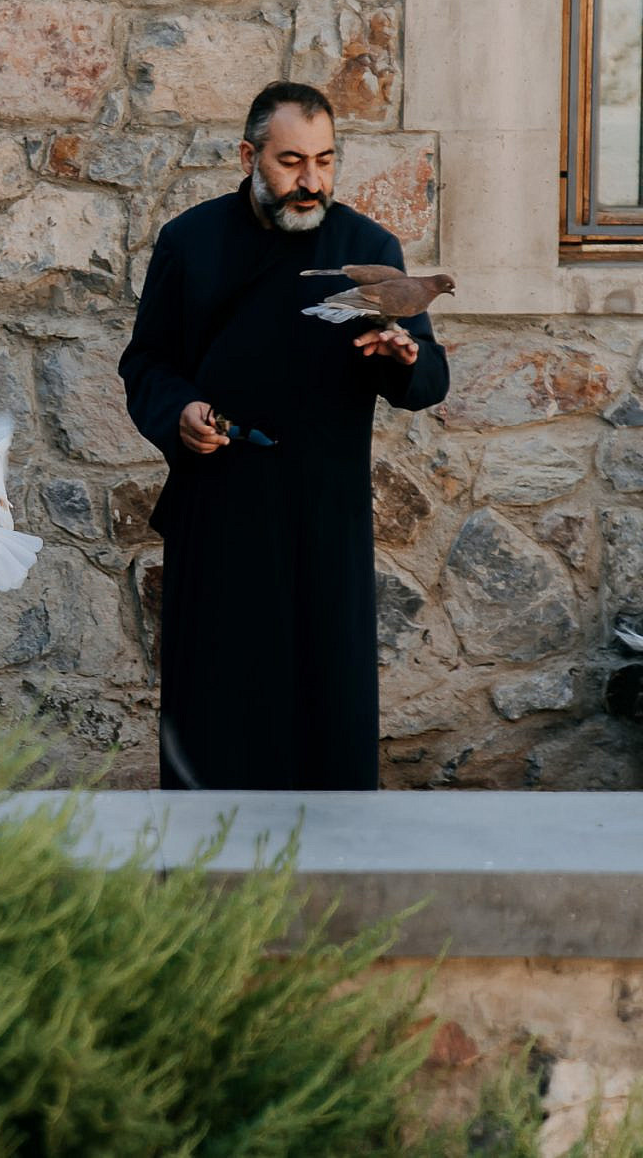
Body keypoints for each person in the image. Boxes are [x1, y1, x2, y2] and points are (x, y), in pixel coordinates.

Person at [118, 81, 449, 790]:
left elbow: (426, 379)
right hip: (217, 512)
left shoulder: (367, 246)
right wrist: (180, 412)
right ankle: (208, 856)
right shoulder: (189, 242)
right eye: (292, 161)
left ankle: (333, 860)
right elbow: (146, 364)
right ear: (249, 157)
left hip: (323, 518)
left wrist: (403, 357)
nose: (312, 181)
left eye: (325, 161)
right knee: (215, 716)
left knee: (324, 714)